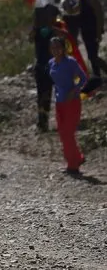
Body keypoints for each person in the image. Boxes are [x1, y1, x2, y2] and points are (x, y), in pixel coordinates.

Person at [49, 37, 87, 175]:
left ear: (63, 48)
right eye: (53, 48)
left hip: (72, 102)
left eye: (58, 47)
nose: (55, 50)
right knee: (63, 134)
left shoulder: (70, 62)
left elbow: (83, 78)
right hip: (59, 102)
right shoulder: (52, 63)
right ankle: (76, 158)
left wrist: (74, 90)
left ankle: (73, 166)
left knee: (68, 133)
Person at [31, 4, 59, 132]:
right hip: (46, 67)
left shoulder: (46, 31)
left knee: (43, 96)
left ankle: (43, 122)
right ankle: (43, 122)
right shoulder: (51, 31)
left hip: (44, 67)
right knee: (45, 95)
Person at [78, 0, 107, 78]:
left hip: (93, 31)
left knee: (93, 56)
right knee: (91, 57)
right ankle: (97, 77)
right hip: (85, 31)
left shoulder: (93, 0)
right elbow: (72, 11)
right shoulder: (82, 1)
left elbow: (100, 16)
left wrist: (99, 32)